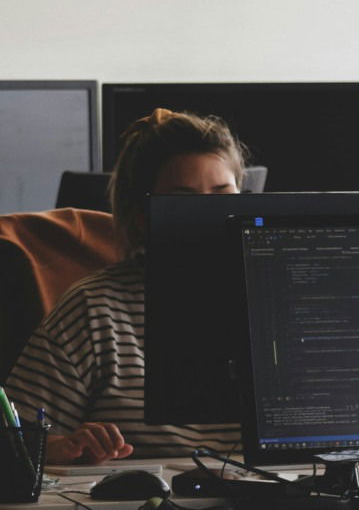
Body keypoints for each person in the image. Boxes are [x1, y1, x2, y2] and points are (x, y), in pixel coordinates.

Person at [3, 108, 244, 463]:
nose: (207, 215)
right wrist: (59, 447)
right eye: (183, 201)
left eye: (223, 196)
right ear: (140, 217)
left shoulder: (281, 295)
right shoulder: (95, 307)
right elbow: (12, 446)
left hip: (289, 503)